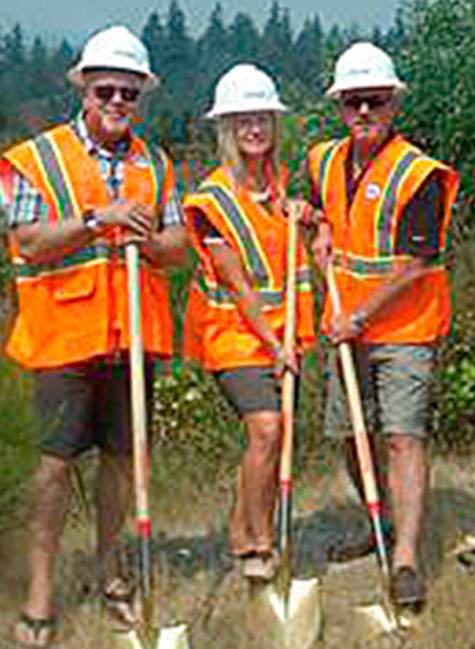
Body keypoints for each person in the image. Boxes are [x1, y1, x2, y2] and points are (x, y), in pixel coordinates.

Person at [1, 25, 187, 648]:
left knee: (121, 462)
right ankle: (40, 592)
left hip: (132, 338)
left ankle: (111, 573)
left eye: (128, 92)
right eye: (105, 89)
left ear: (141, 96)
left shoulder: (156, 163)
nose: (116, 101)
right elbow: (28, 242)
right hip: (61, 339)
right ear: (83, 90)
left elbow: (178, 246)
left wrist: (149, 241)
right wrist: (96, 219)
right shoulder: (35, 159)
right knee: (52, 470)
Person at [307, 42, 458, 610]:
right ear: (340, 106)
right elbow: (318, 207)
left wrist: (360, 316)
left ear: (393, 103)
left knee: (401, 437)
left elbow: (415, 264)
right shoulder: (323, 160)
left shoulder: (419, 174)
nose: (364, 111)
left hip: (404, 329)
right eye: (353, 102)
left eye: (374, 100)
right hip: (346, 327)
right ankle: (383, 519)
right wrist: (318, 225)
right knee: (353, 433)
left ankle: (407, 559)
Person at [183, 64, 316, 581]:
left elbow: (285, 247)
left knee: (274, 437)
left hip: (282, 333)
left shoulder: (277, 185)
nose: (254, 128)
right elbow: (238, 286)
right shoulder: (213, 199)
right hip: (234, 336)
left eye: (261, 118)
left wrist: (308, 217)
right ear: (227, 129)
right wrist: (274, 345)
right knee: (267, 428)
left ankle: (240, 533)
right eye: (243, 121)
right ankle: (261, 539)